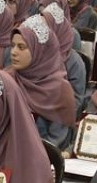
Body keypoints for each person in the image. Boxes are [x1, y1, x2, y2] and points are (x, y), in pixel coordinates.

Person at [8, 15, 76, 148]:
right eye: (13, 46)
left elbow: (55, 142)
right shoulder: (8, 78)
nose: (13, 52)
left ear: (40, 51)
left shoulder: (59, 89)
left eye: (21, 47)